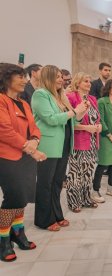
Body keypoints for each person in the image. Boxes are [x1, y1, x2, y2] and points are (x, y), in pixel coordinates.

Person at [32, 65, 88, 231]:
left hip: (63, 143)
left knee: (57, 182)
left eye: (61, 77)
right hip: (48, 145)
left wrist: (81, 112)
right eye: (57, 76)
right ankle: (43, 220)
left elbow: (71, 120)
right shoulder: (40, 94)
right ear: (48, 78)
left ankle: (57, 215)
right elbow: (50, 119)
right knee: (45, 183)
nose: (61, 79)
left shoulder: (60, 95)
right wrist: (73, 112)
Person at [0, 63, 46, 262]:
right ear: (6, 78)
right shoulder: (1, 101)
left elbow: (34, 127)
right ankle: (3, 239)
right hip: (9, 157)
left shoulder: (24, 103)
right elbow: (4, 130)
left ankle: (17, 232)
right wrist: (30, 147)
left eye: (25, 76)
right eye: (20, 76)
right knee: (13, 197)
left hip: (27, 155)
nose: (25, 80)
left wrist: (35, 141)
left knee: (24, 197)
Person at [66, 72, 101, 212]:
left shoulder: (92, 98)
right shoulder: (70, 97)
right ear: (77, 83)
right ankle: (74, 202)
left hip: (92, 141)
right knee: (76, 173)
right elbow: (70, 122)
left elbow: (97, 118)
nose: (89, 83)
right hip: (79, 140)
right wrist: (88, 127)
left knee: (88, 172)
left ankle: (86, 198)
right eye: (85, 81)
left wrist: (99, 126)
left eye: (89, 81)